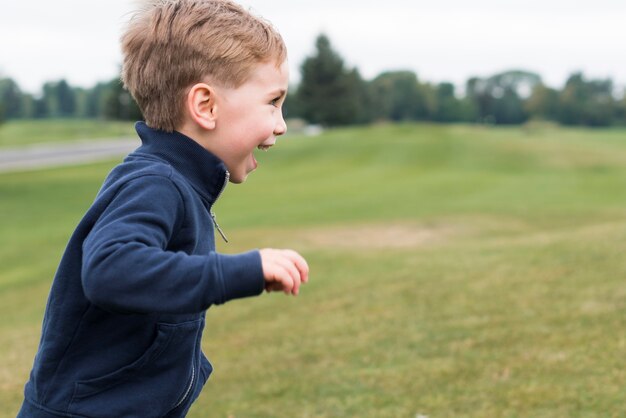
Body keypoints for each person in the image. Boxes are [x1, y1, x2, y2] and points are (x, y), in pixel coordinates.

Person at [17, 1, 309, 417]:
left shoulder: (181, 184)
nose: (281, 124)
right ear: (205, 106)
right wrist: (243, 270)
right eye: (273, 102)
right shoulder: (154, 183)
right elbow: (110, 269)